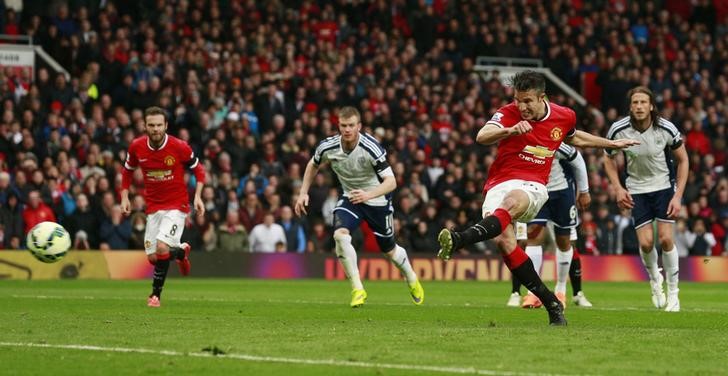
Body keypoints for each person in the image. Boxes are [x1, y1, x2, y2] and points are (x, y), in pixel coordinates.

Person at [436, 71, 638, 325]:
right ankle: (551, 302)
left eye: (528, 101)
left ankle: (460, 238)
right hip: (498, 182)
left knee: (512, 202)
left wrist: (609, 144)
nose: (522, 106)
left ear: (542, 98)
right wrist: (509, 130)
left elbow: (574, 137)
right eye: (518, 100)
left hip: (533, 184)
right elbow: (482, 136)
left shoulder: (564, 115)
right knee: (504, 242)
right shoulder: (508, 113)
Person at [295, 106, 424, 308]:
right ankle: (357, 289)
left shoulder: (371, 147)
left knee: (389, 251)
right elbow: (313, 163)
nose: (347, 130)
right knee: (339, 235)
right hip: (351, 197)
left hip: (377, 200)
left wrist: (368, 194)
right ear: (338, 126)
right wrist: (303, 192)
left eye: (351, 125)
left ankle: (410, 276)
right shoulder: (327, 147)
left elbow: (391, 182)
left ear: (359, 126)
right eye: (344, 125)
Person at [603, 86, 689, 312]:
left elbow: (683, 160)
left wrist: (678, 195)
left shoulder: (666, 128)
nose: (639, 107)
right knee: (645, 243)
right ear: (630, 107)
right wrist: (618, 189)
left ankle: (673, 294)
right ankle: (655, 281)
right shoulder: (618, 129)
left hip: (663, 187)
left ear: (651, 106)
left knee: (666, 240)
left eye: (643, 102)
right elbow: (608, 159)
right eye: (635, 103)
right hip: (637, 189)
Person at [120, 106, 206, 308]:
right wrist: (125, 197)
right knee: (153, 258)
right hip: (153, 207)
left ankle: (155, 296)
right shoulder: (136, 147)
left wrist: (198, 197)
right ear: (144, 126)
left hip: (177, 205)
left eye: (159, 125)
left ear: (166, 126)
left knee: (161, 248)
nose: (156, 129)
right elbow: (127, 171)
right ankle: (181, 253)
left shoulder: (179, 146)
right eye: (151, 125)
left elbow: (199, 171)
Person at [508, 144, 594, 308]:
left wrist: (584, 191)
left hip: (562, 193)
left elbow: (577, 159)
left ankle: (560, 291)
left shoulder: (554, 141)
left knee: (564, 242)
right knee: (533, 238)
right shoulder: (522, 142)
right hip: (536, 191)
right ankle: (533, 293)